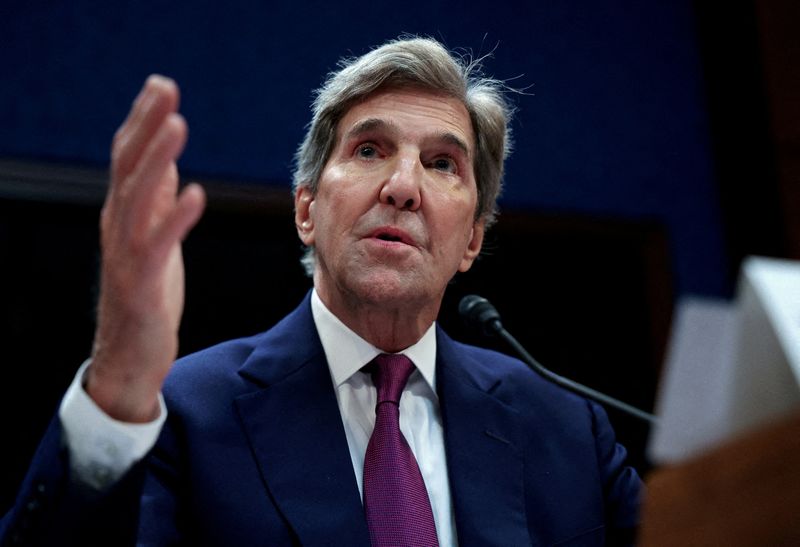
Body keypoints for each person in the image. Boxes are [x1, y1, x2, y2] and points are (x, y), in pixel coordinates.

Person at [1, 37, 641, 546]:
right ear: (306, 209)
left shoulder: (566, 431)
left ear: (472, 239)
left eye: (443, 164)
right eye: (369, 149)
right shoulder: (185, 414)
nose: (402, 186)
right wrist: (116, 385)